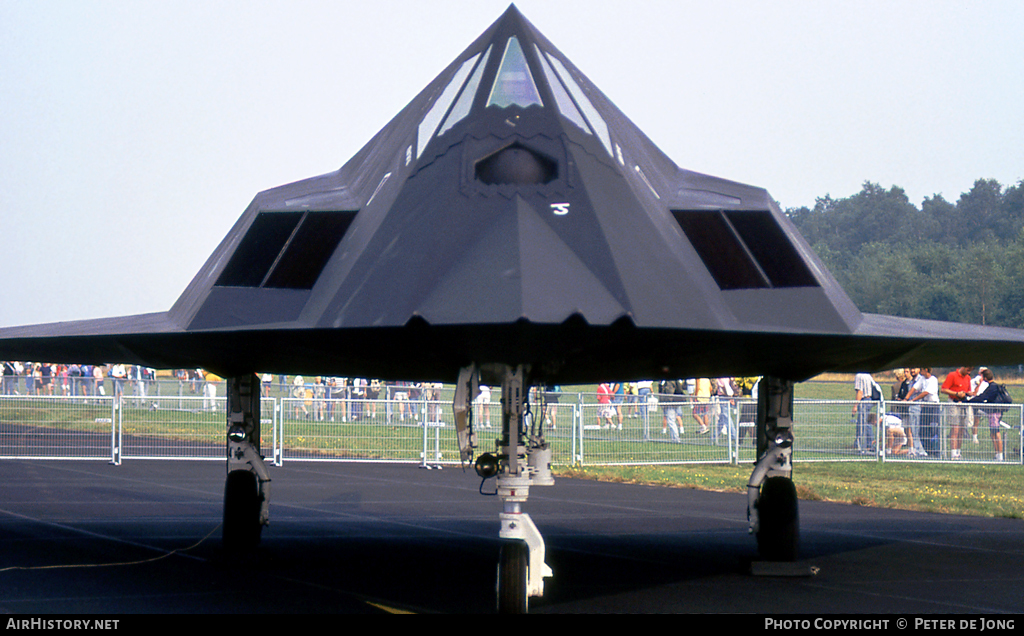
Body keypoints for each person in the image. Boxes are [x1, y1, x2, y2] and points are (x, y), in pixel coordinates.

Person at [968, 368, 1012, 461]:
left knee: (996, 433)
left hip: (994, 412)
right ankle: (997, 454)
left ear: (984, 377)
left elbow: (983, 397)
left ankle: (1000, 455)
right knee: (992, 434)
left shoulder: (992, 387)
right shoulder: (993, 386)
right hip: (994, 412)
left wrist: (969, 401)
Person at [940, 367, 974, 460]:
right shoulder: (952, 375)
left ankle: (959, 452)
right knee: (955, 429)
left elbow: (967, 390)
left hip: (963, 404)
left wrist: (969, 393)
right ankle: (953, 453)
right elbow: (943, 389)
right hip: (953, 403)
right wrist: (956, 393)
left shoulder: (968, 378)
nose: (969, 372)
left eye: (971, 370)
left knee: (962, 429)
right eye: (968, 370)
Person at [853, 372, 880, 453]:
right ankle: (869, 444)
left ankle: (862, 445)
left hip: (864, 401)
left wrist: (855, 406)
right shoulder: (867, 375)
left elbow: (860, 392)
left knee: (861, 424)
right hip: (870, 400)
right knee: (867, 423)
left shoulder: (859, 376)